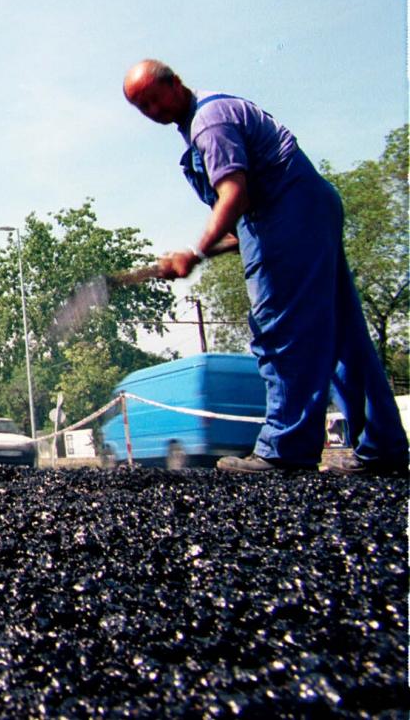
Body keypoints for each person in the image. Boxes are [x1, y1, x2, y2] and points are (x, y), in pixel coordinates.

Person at [122, 59, 407, 475]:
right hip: (306, 210)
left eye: (154, 97)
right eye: (142, 106)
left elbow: (234, 194)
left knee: (282, 331)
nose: (152, 110)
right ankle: (383, 446)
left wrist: (195, 251)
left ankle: (285, 450)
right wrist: (204, 253)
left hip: (289, 212)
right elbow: (242, 229)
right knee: (344, 335)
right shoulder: (209, 116)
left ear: (175, 83)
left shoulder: (209, 122)